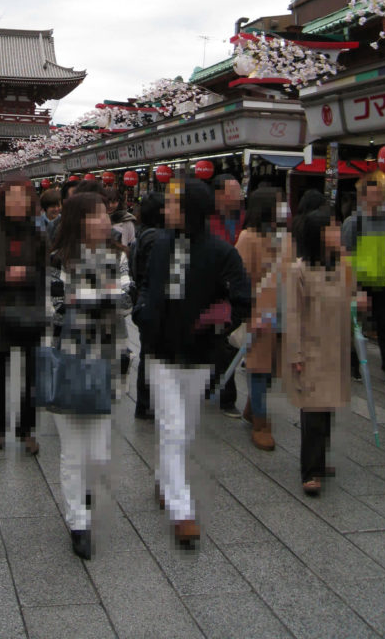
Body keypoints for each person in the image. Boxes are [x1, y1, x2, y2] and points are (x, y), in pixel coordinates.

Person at [138, 177, 250, 546]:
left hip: (200, 354)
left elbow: (242, 298)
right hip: (160, 351)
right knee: (172, 426)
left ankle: (162, 476)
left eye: (172, 205)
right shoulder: (159, 243)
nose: (165, 210)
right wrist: (143, 313)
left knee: (183, 427)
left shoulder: (222, 253)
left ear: (189, 212)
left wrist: (220, 323)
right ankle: (181, 509)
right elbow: (145, 284)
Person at [47, 191, 123, 560]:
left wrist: (90, 297)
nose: (106, 220)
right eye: (96, 215)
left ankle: (85, 495)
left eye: (105, 213)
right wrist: (102, 297)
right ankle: (78, 521)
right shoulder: (56, 260)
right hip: (68, 362)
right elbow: (59, 307)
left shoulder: (118, 256)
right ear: (79, 221)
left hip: (106, 363)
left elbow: (127, 299)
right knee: (73, 451)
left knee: (99, 451)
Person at [285, 206, 365, 495]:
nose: (337, 233)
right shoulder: (300, 270)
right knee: (314, 410)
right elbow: (293, 315)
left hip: (335, 347)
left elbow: (352, 296)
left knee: (327, 406)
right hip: (311, 348)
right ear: (318, 235)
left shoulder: (340, 266)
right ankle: (310, 469)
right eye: (332, 228)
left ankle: (320, 459)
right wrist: (295, 354)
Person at [0, 178, 47, 454]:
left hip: (30, 306)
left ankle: (27, 430)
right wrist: (2, 276)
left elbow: (48, 271)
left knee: (31, 374)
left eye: (23, 198)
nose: (18, 203)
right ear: (3, 202)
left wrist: (28, 274)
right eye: (12, 198)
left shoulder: (39, 234)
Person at [342, 171, 385, 386]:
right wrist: (353, 286)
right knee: (352, 326)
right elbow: (346, 255)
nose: (377, 198)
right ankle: (349, 364)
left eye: (379, 194)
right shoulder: (353, 223)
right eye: (372, 194)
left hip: (382, 282)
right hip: (360, 282)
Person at [236, 186, 286, 452]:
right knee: (259, 366)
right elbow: (240, 279)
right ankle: (260, 421)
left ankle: (251, 407)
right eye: (279, 202)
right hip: (259, 313)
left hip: (281, 310)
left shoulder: (280, 236)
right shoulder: (248, 237)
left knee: (272, 366)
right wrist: (248, 311)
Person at [206, 173, 245, 416]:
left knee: (223, 341)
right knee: (219, 341)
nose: (240, 196)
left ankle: (222, 390)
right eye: (235, 191)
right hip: (213, 290)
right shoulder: (205, 220)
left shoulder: (245, 218)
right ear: (220, 194)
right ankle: (225, 395)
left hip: (239, 290)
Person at [129, 192, 165, 419]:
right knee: (152, 352)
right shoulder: (155, 238)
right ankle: (146, 402)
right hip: (153, 301)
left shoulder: (143, 234)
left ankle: (146, 402)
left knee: (149, 351)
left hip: (144, 299)